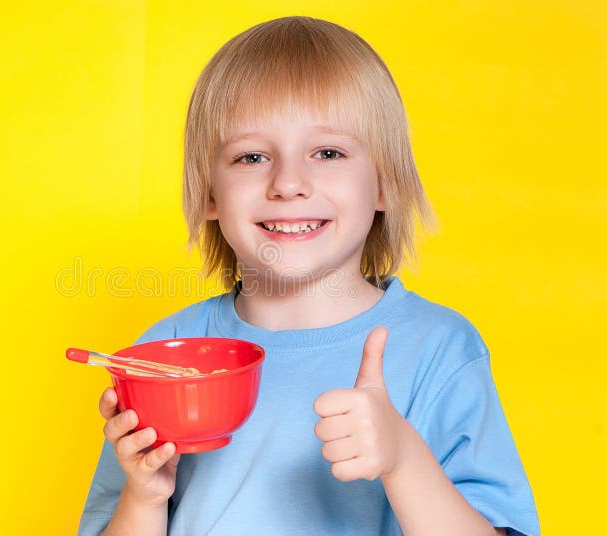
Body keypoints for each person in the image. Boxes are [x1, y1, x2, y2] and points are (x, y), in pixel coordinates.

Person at [78, 16, 539, 536]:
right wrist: (145, 497)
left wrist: (403, 459)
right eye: (252, 157)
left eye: (328, 153)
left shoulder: (438, 350)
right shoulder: (166, 353)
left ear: (384, 183)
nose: (289, 183)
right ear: (209, 192)